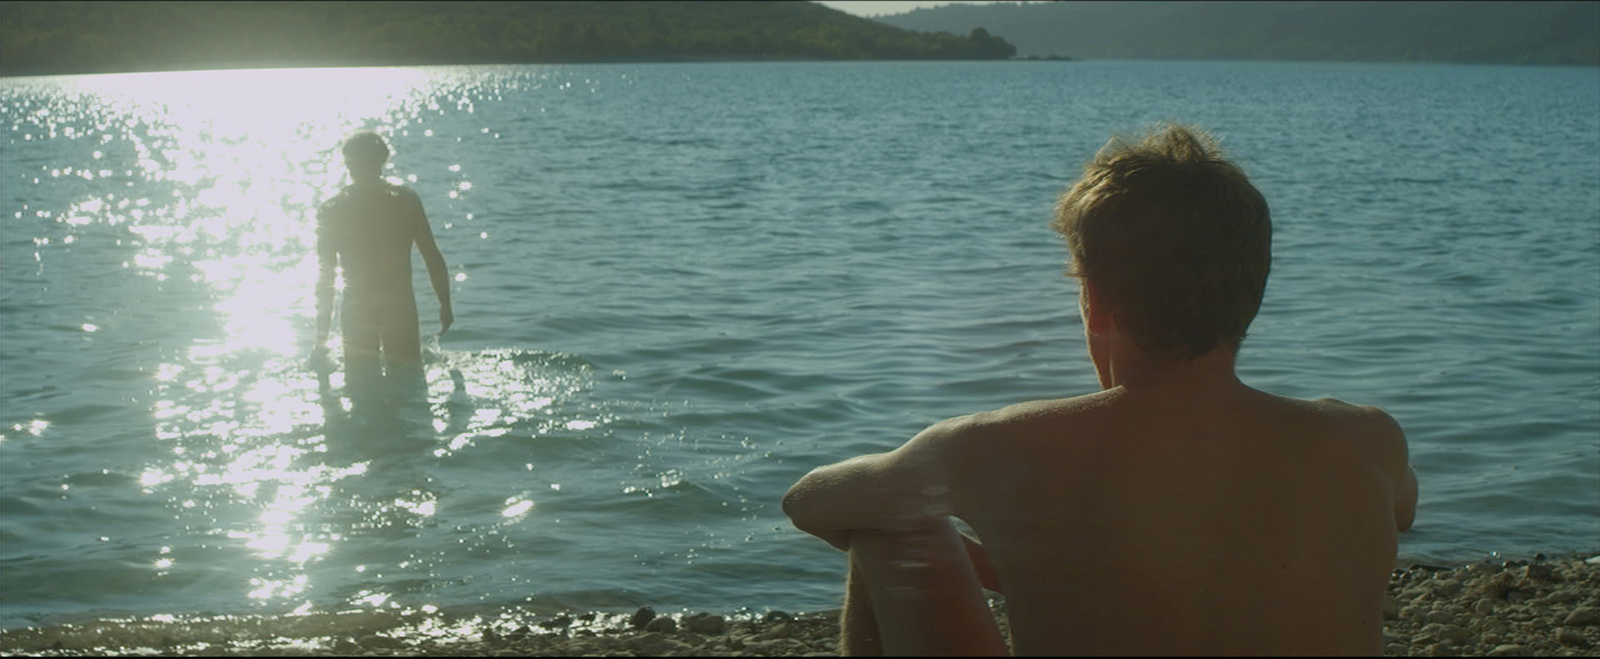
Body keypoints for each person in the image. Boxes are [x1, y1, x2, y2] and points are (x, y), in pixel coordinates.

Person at [782, 123, 1418, 656]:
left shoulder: (1005, 446)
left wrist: (992, 545)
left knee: (892, 526)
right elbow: (1398, 514)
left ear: (1096, 300)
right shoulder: (1368, 439)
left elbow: (810, 503)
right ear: (1252, 294)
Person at [313, 131, 453, 393]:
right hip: (399, 306)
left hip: (357, 310)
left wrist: (320, 340)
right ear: (382, 160)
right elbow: (432, 256)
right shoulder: (405, 201)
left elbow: (325, 279)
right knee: (410, 388)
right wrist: (445, 305)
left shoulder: (332, 209)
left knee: (361, 391)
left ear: (347, 162)